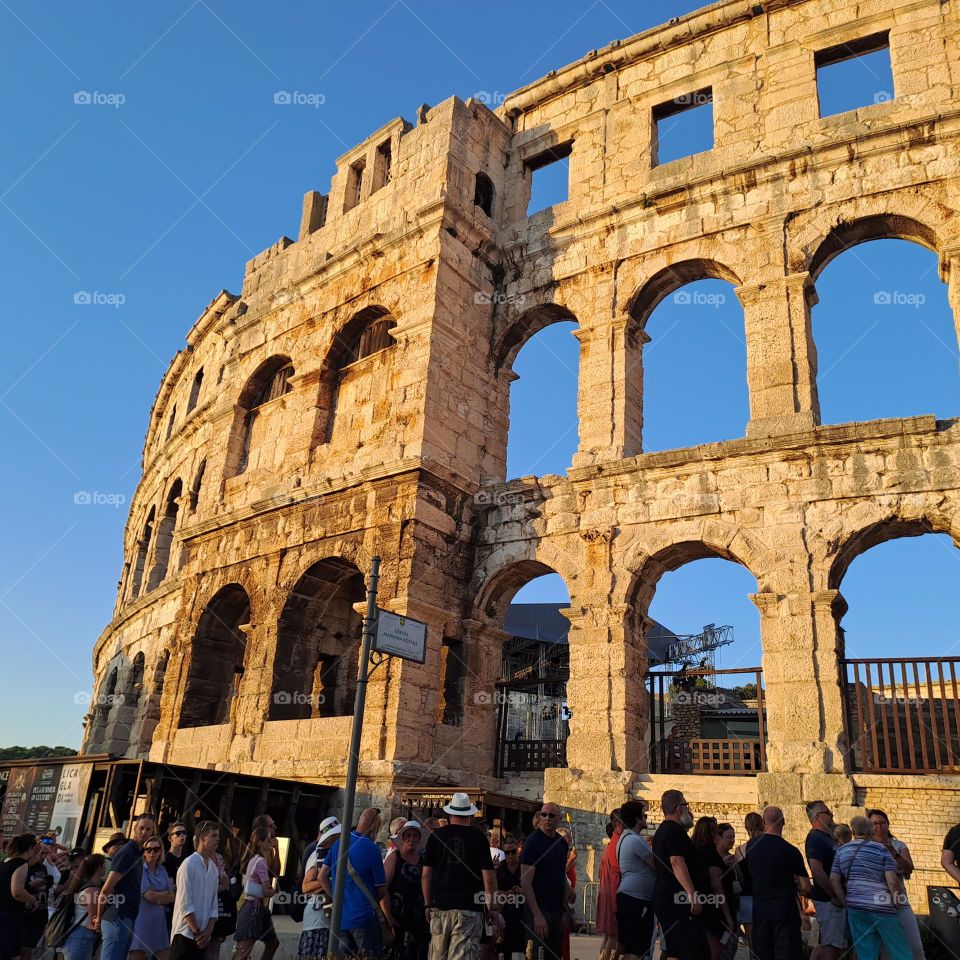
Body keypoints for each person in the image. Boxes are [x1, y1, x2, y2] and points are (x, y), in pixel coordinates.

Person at [421, 792, 495, 960]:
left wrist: (427, 904)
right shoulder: (479, 837)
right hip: (469, 908)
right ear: (469, 813)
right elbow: (489, 878)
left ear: (450, 813)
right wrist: (493, 908)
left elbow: (426, 876)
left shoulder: (436, 836)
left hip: (440, 907)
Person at [831, 816, 910, 960]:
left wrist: (845, 901)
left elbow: (834, 879)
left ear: (853, 831)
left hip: (856, 907)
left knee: (866, 953)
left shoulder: (841, 851)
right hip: (882, 906)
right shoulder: (881, 849)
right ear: (871, 832)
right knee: (900, 951)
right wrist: (897, 902)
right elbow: (892, 881)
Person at [320, 806, 392, 958]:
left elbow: (322, 877)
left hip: (340, 917)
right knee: (370, 956)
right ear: (374, 826)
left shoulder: (338, 844)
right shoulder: (372, 849)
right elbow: (381, 890)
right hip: (364, 917)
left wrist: (336, 897)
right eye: (379, 826)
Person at [743, 806, 811, 960]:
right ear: (784, 822)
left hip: (760, 909)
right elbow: (806, 887)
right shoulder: (791, 850)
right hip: (785, 910)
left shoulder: (750, 847)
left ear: (763, 822)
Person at [652, 790, 709, 960]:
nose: (688, 810)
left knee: (675, 950)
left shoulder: (662, 831)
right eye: (686, 805)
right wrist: (692, 894)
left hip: (667, 898)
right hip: (677, 899)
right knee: (691, 949)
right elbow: (677, 862)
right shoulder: (674, 831)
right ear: (679, 809)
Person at [94, 812, 157, 960]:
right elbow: (106, 889)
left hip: (127, 917)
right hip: (117, 916)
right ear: (135, 828)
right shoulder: (127, 852)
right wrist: (97, 917)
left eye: (148, 829)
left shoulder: (137, 853)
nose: (144, 832)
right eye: (141, 828)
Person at [520, 802, 575, 960]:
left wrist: (565, 910)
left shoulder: (561, 843)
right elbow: (525, 881)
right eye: (543, 814)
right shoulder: (533, 842)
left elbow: (560, 875)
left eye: (551, 815)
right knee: (537, 954)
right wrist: (537, 914)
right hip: (538, 909)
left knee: (553, 955)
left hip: (556, 910)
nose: (547, 818)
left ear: (559, 819)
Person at [868, 809, 923, 960]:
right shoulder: (867, 846)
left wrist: (893, 852)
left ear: (888, 824)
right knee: (885, 951)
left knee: (916, 947)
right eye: (874, 823)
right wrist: (893, 870)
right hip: (877, 901)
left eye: (882, 822)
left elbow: (909, 867)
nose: (879, 826)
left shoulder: (898, 844)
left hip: (900, 899)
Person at [169, 821, 221, 960]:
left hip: (203, 935)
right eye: (214, 835)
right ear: (202, 838)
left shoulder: (213, 869)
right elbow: (184, 903)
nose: (218, 839)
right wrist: (197, 932)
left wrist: (208, 931)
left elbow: (213, 904)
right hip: (185, 933)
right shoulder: (188, 865)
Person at [804, 801, 846, 960]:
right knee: (831, 945)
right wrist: (833, 894)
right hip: (828, 901)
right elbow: (816, 869)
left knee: (835, 944)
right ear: (817, 816)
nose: (831, 815)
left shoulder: (828, 838)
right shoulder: (815, 838)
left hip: (835, 900)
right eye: (827, 812)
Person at [616, 800, 655, 960]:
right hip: (636, 898)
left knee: (629, 944)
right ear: (638, 819)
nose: (646, 818)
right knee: (636, 947)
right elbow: (656, 865)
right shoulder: (635, 840)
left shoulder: (627, 839)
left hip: (630, 896)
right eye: (644, 816)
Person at [692, 817, 735, 960]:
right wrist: (728, 916)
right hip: (712, 907)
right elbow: (717, 886)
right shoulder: (710, 853)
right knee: (716, 950)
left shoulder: (693, 849)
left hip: (697, 903)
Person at [384, 821, 428, 960]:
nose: (412, 839)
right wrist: (387, 916)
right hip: (396, 918)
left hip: (418, 920)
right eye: (408, 835)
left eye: (415, 836)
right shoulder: (394, 857)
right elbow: (382, 887)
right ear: (402, 837)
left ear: (419, 839)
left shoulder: (424, 860)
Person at [298, 819, 341, 960]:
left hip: (325, 918)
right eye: (338, 834)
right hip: (317, 917)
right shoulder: (317, 854)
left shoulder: (331, 853)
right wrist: (330, 881)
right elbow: (306, 886)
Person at [232, 829, 278, 960]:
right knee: (244, 950)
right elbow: (266, 890)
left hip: (251, 906)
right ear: (260, 843)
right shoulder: (261, 862)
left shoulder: (252, 859)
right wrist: (273, 891)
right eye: (268, 840)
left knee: (269, 943)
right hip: (255, 907)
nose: (271, 842)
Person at [131, 836, 174, 960]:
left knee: (165, 955)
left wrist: (158, 895)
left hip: (159, 921)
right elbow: (149, 896)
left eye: (156, 849)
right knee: (137, 954)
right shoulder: (140, 869)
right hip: (142, 920)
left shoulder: (162, 870)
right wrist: (164, 895)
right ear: (143, 852)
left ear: (161, 851)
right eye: (148, 849)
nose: (152, 852)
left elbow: (173, 896)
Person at [0, 835, 40, 960]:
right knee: (12, 955)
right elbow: (17, 891)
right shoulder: (21, 863)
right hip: (9, 916)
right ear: (30, 848)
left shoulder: (5, 862)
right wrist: (32, 900)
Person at [61, 854, 105, 960]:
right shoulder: (92, 890)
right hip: (82, 937)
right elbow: (93, 919)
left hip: (78, 936)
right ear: (99, 867)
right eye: (104, 865)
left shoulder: (84, 885)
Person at [734, 811, 762, 952]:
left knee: (751, 939)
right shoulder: (767, 846)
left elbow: (740, 877)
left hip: (746, 896)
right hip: (763, 895)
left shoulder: (739, 850)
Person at [596, 808, 622, 960]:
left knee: (608, 936)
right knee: (613, 936)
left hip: (606, 892)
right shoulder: (616, 844)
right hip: (612, 894)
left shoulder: (609, 846)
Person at [21, 837, 53, 960]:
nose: (42, 857)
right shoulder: (22, 867)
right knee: (22, 948)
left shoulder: (42, 867)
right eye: (41, 853)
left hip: (40, 913)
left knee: (30, 948)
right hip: (26, 914)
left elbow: (47, 887)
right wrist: (31, 886)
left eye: (45, 853)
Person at [495, 839, 525, 960]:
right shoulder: (500, 868)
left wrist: (520, 890)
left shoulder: (524, 866)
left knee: (521, 947)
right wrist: (506, 893)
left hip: (522, 912)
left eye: (513, 851)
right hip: (505, 911)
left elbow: (530, 887)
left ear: (517, 849)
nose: (511, 855)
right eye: (507, 852)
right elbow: (494, 890)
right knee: (505, 947)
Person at [716, 824, 738, 960]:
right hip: (719, 909)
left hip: (733, 906)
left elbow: (740, 881)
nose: (732, 840)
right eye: (729, 837)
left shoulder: (733, 858)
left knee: (731, 947)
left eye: (734, 837)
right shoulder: (714, 859)